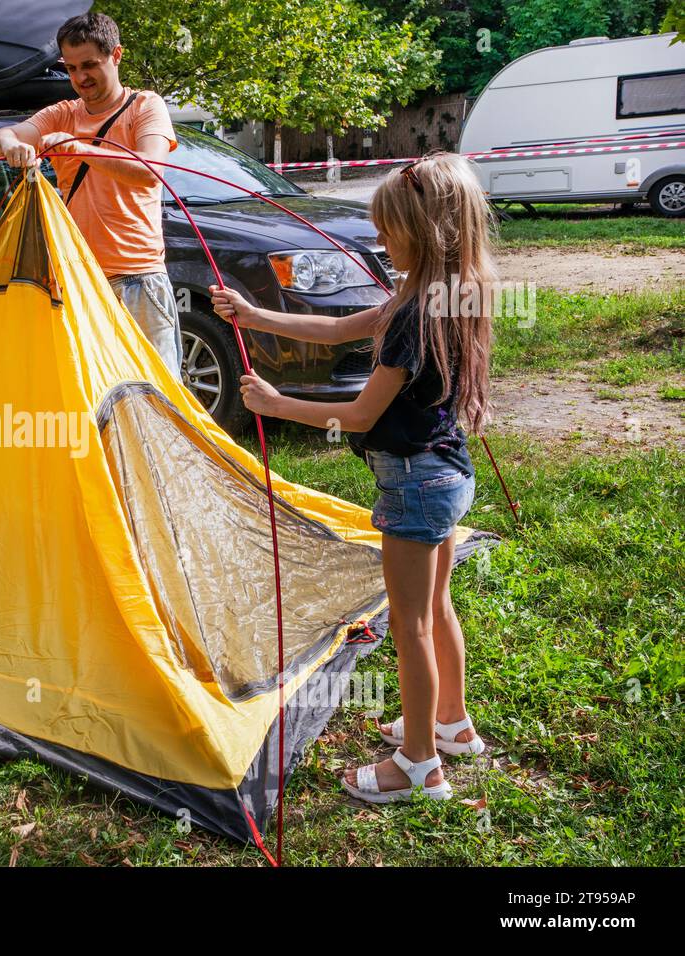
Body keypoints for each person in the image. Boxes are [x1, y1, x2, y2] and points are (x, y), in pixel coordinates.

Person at [210, 152, 497, 802]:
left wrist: (279, 406)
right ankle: (450, 723)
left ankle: (418, 765)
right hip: (447, 474)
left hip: (416, 485)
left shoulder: (413, 317)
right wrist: (257, 317)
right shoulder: (439, 295)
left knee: (410, 624)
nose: (380, 239)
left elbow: (363, 411)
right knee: (434, 609)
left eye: (389, 228)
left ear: (424, 233)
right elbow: (339, 326)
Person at [0, 12, 184, 378]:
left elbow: (150, 171)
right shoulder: (63, 113)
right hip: (79, 278)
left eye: (90, 65)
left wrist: (79, 147)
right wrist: (12, 144)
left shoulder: (145, 106)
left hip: (138, 277)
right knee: (92, 392)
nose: (80, 78)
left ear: (117, 55)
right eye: (72, 68)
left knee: (157, 395)